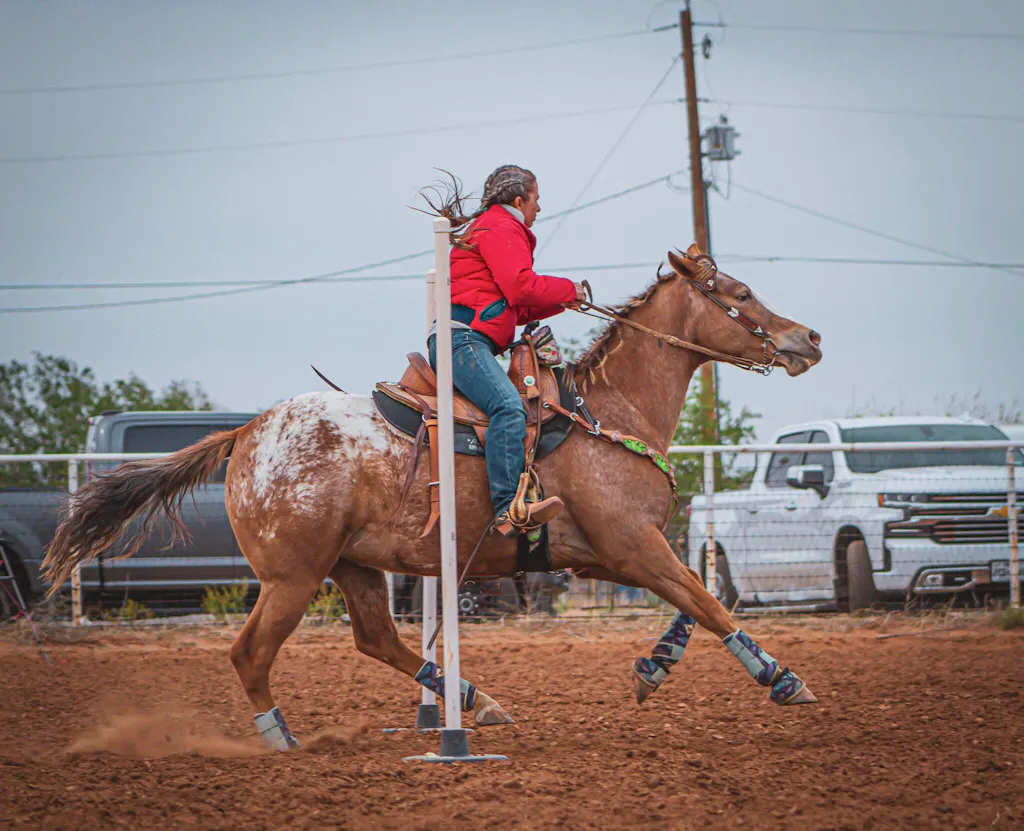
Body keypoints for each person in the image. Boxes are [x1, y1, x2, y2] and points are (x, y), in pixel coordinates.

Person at [423, 165, 586, 534]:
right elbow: (520, 286)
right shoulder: (501, 226)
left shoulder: (492, 226)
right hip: (462, 340)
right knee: (509, 407)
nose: (539, 208)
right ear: (519, 200)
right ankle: (508, 507)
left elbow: (514, 307)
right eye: (536, 199)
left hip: (463, 338)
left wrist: (562, 301)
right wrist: (568, 289)